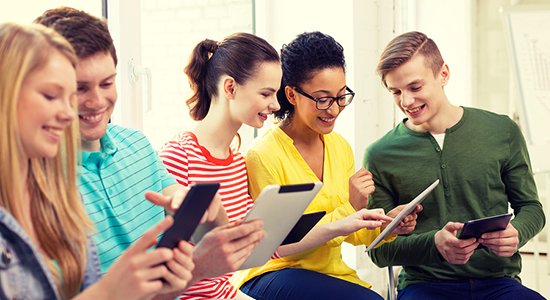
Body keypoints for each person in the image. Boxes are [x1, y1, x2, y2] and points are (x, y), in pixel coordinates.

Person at [34, 7, 265, 300]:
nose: (97, 101)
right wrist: (195, 269)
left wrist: (206, 208)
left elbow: (210, 233)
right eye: (80, 88)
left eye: (107, 83)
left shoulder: (138, 146)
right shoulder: (36, 176)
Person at [0, 22, 194, 300]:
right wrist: (109, 292)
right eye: (52, 95)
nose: (68, 114)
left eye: (106, 83)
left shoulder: (57, 204)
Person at [230, 31, 421, 300]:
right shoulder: (264, 155)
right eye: (322, 99)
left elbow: (349, 233)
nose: (334, 109)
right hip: (273, 273)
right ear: (291, 95)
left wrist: (388, 225)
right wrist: (351, 207)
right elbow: (283, 244)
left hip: (327, 274)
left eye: (341, 96)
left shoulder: (339, 147)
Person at [364, 31, 546, 299]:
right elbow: (379, 251)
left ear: (444, 74)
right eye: (396, 92)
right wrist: (434, 244)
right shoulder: (380, 155)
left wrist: (517, 232)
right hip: (424, 287)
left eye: (415, 87)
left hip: (499, 283)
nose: (406, 102)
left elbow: (532, 208)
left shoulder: (502, 131)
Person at [158, 33, 280, 300]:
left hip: (225, 293)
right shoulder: (178, 157)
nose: (275, 104)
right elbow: (160, 261)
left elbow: (244, 249)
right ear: (230, 88)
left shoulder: (236, 161)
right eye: (266, 93)